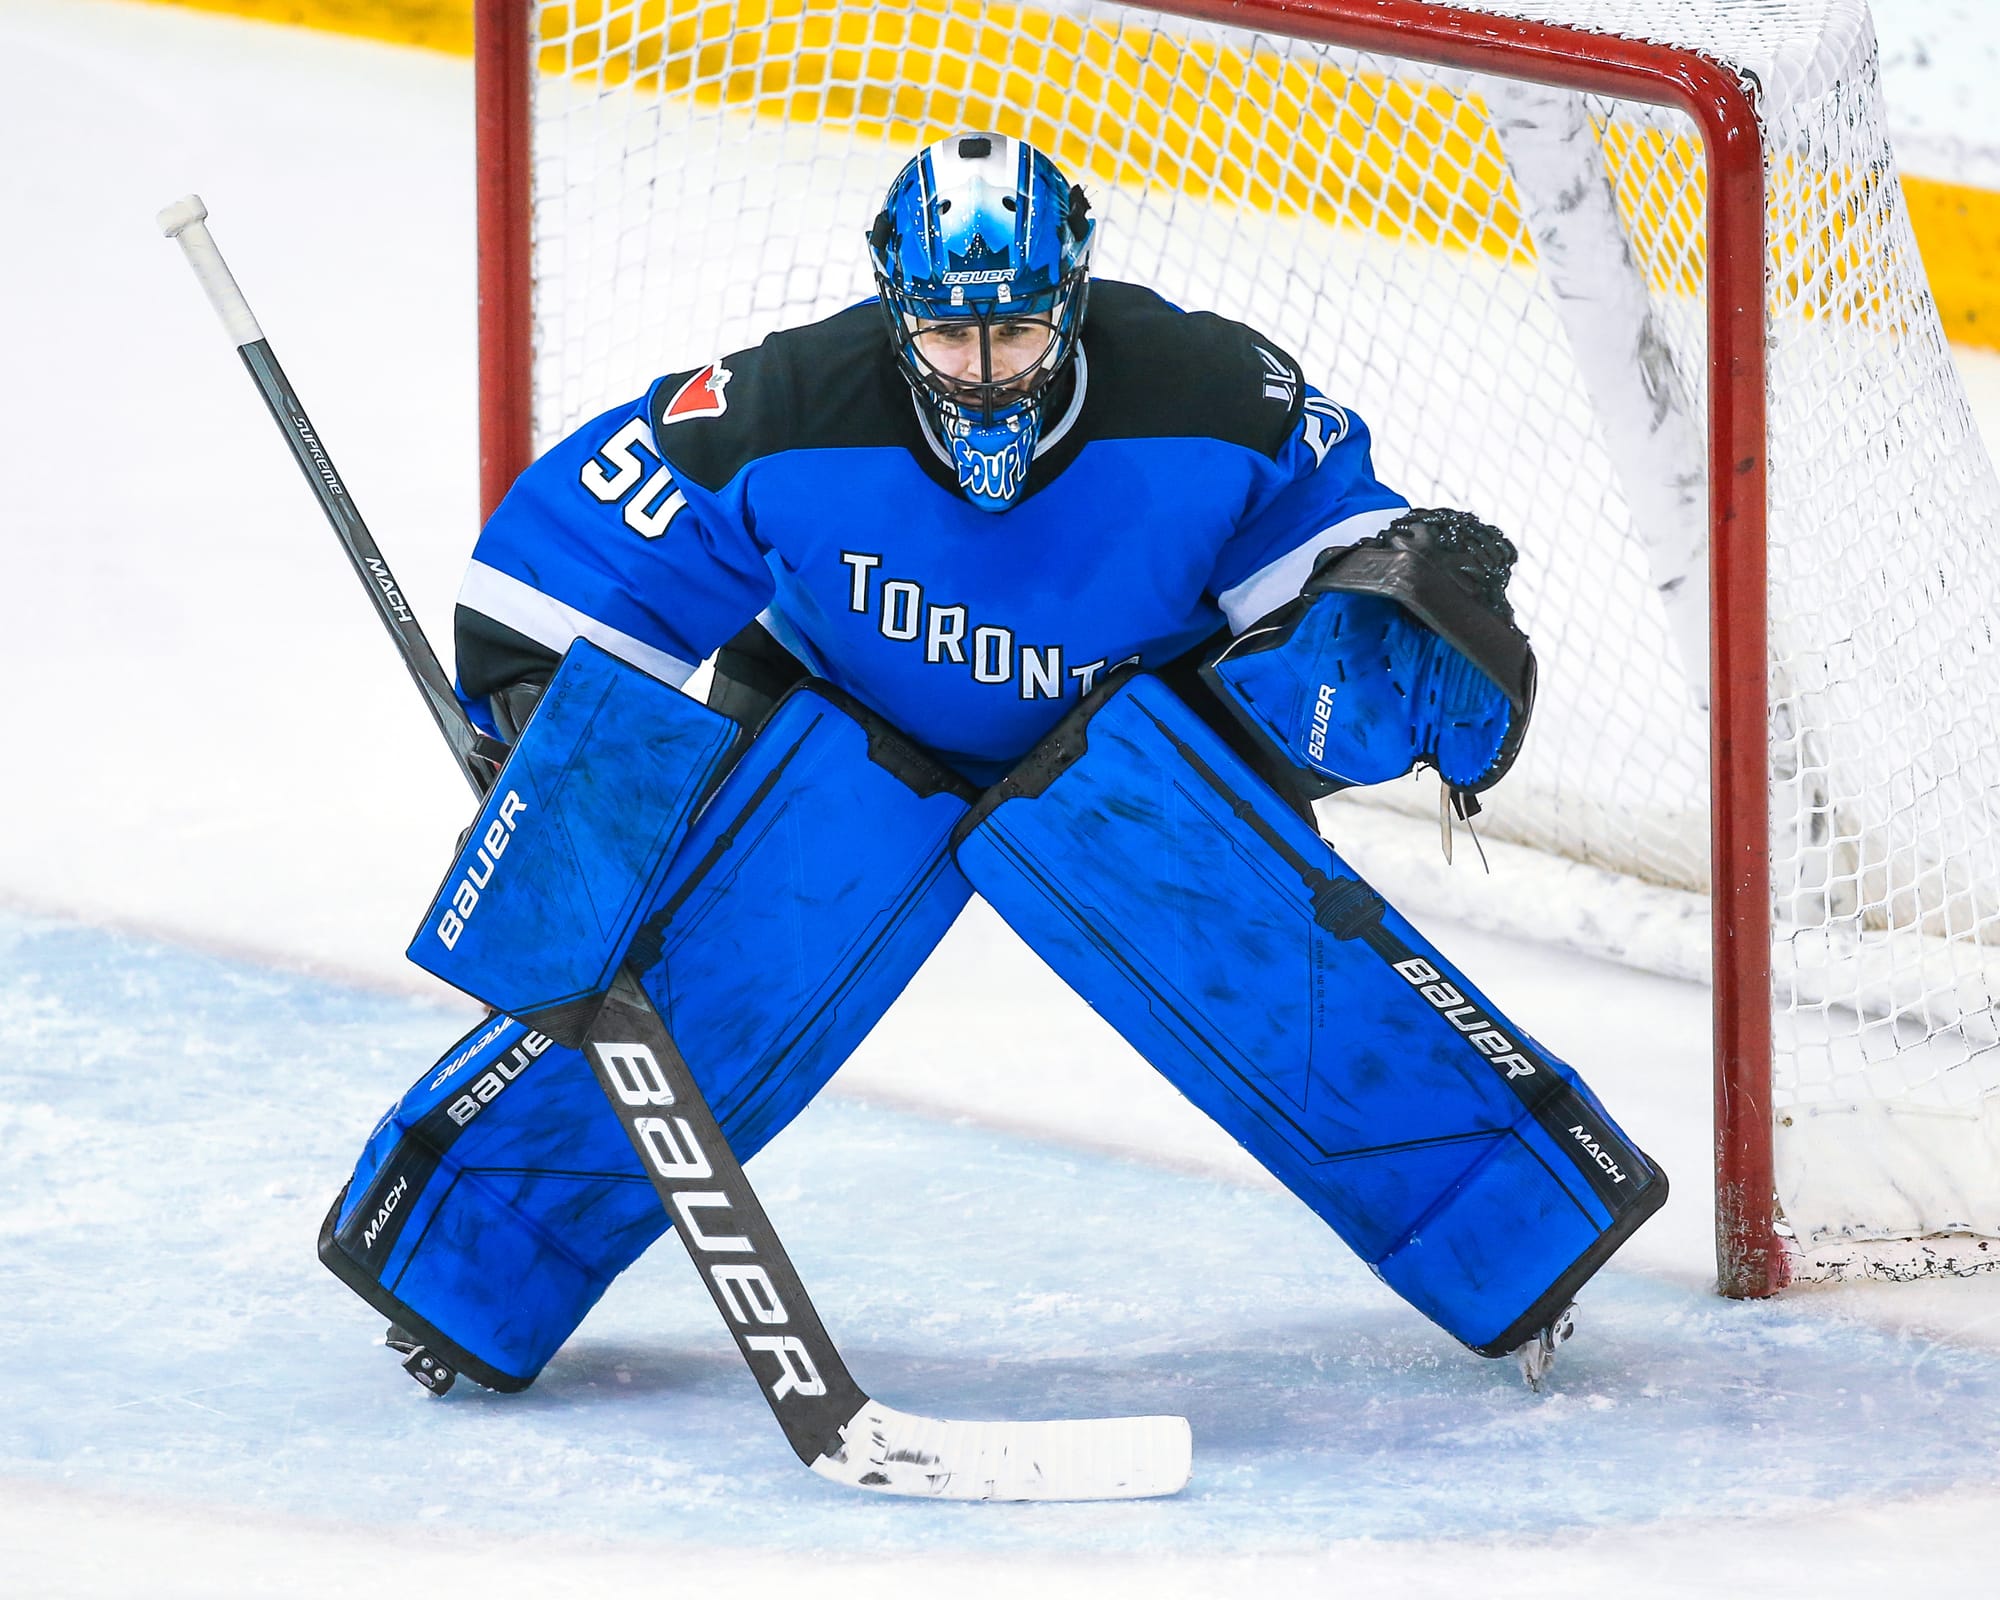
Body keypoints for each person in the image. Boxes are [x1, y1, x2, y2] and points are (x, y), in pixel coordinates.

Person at [321, 132, 1661, 1398]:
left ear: (1070, 301)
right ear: (893, 307)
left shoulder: (1213, 389)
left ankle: (1519, 1246)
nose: (978, 367)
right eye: (947, 331)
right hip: (853, 729)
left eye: (1013, 328)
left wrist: (1384, 589)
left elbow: (1325, 560)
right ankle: (458, 1267)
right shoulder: (781, 402)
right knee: (685, 993)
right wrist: (530, 726)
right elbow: (584, 545)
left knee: (1300, 986)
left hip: (1121, 752)